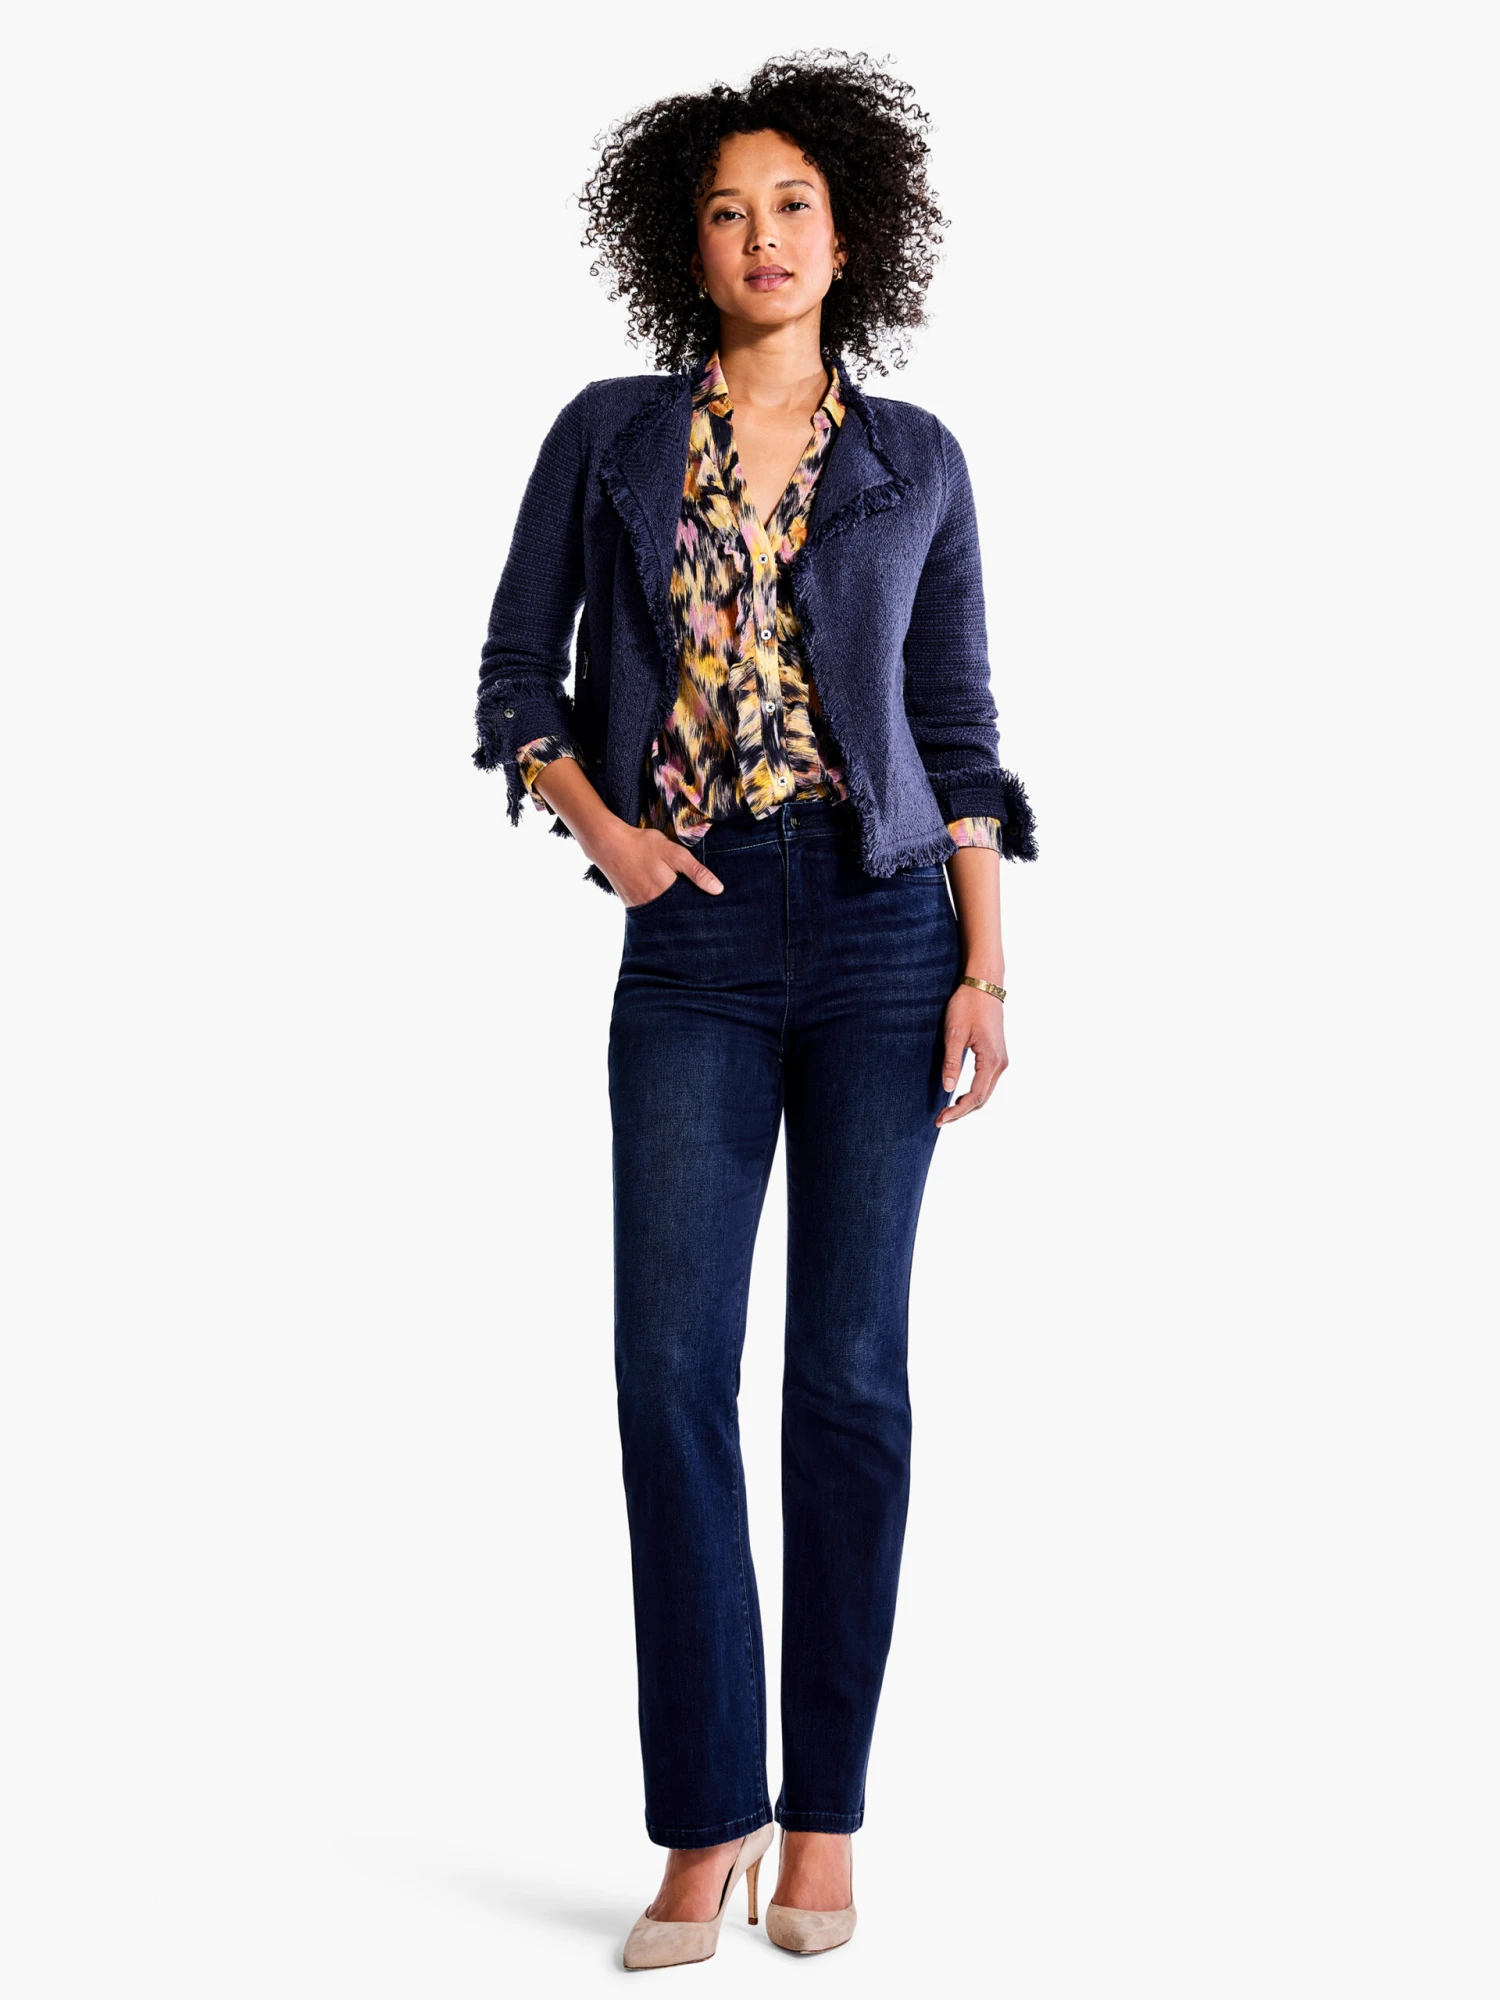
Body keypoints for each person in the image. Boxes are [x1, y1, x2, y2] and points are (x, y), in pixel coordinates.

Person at [472, 52, 1037, 1971]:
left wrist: (984, 966)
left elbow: (957, 732)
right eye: (727, 211)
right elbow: (515, 676)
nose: (762, 236)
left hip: (884, 938)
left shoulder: (915, 459)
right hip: (695, 939)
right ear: (685, 247)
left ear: (850, 234)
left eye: (793, 204)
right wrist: (610, 836)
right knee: (667, 1370)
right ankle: (705, 1818)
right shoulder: (613, 438)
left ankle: (826, 1825)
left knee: (850, 1381)